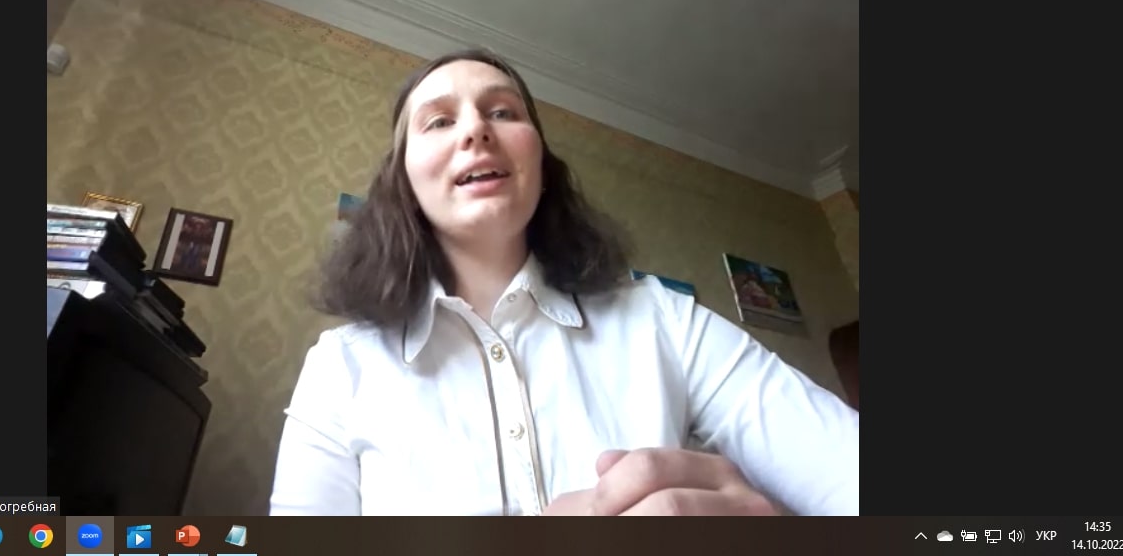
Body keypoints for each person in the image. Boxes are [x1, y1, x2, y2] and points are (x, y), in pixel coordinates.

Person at [269, 49, 860, 516]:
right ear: (404, 184)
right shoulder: (339, 367)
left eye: (503, 112)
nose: (475, 129)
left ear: (542, 166)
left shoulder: (663, 319)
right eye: (439, 121)